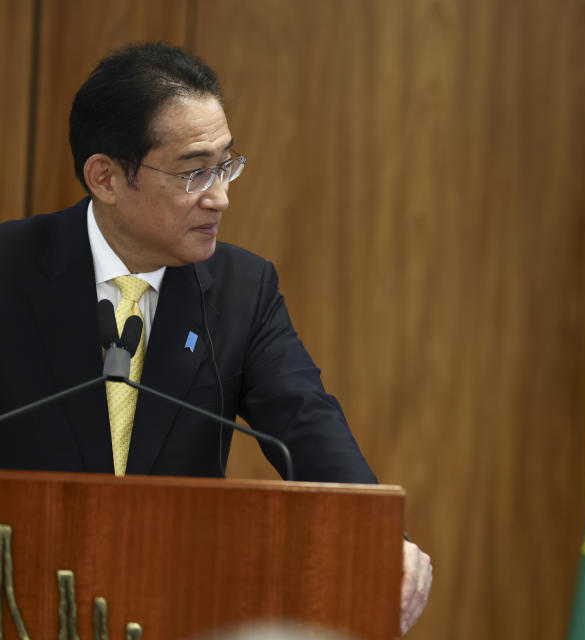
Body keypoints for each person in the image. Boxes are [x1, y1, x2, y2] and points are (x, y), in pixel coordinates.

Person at [0, 43, 431, 634]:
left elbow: (305, 421)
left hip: (174, 603)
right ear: (105, 177)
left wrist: (381, 538)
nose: (220, 195)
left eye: (226, 164)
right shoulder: (9, 269)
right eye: (193, 171)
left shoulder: (242, 288)